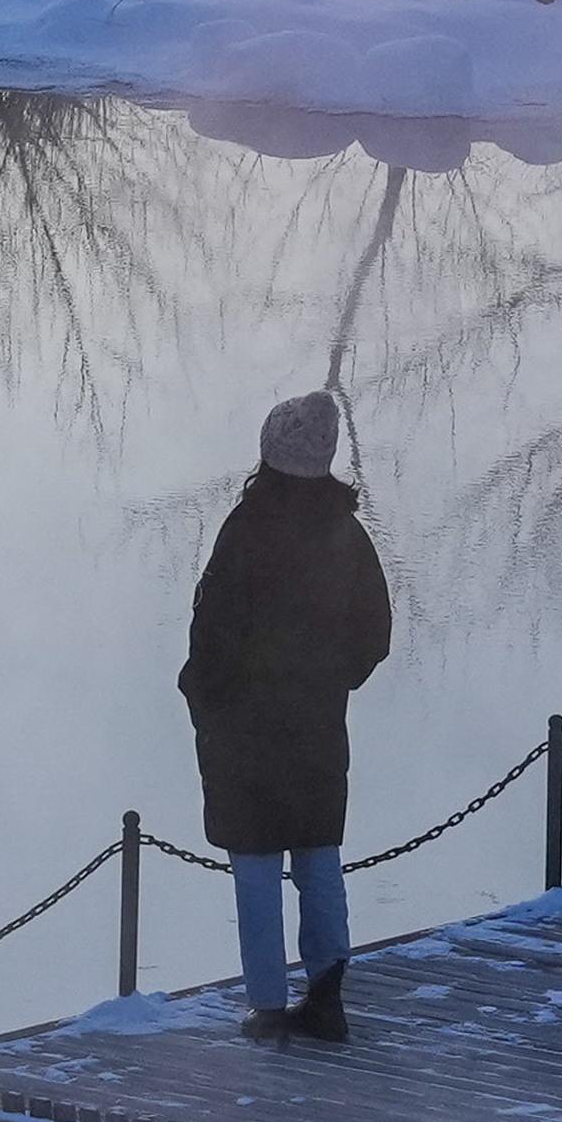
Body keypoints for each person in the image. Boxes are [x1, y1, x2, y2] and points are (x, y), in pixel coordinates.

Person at [179, 389, 395, 1044]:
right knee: (317, 854)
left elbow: (211, 633)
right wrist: (329, 681)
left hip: (246, 730)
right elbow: (374, 634)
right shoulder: (346, 535)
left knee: (254, 863)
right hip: (317, 725)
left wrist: (205, 696)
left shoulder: (245, 532)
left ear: (269, 457)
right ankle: (327, 999)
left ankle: (268, 1006)